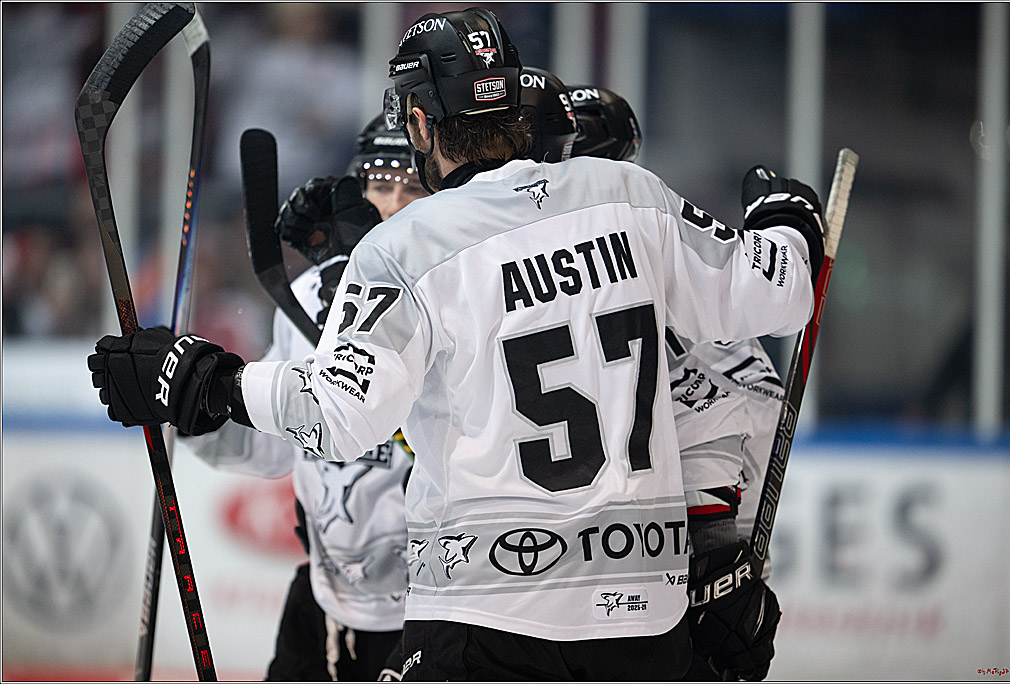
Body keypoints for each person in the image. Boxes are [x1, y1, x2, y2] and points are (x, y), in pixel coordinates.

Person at [87, 7, 825, 681]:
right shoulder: (630, 197)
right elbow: (783, 290)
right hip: (642, 625)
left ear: (417, 122)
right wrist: (788, 215)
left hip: (486, 623)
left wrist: (206, 380)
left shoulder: (409, 249)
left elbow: (343, 416)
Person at [183, 114, 426, 681]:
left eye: (411, 188)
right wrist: (196, 409)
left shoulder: (455, 288)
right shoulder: (309, 293)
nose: (391, 205)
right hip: (326, 596)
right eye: (377, 186)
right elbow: (281, 440)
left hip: (433, 610)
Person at [565, 83, 786, 679]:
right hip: (576, 582)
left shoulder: (665, 265)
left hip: (646, 580)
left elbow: (757, 417)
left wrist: (722, 556)